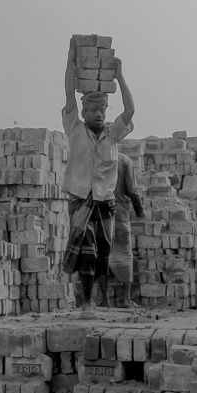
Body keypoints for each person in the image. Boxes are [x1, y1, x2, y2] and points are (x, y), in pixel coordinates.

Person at [61, 39, 135, 316]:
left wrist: (120, 75)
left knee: (103, 252)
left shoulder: (113, 134)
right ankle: (88, 304)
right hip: (81, 198)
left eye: (102, 110)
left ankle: (92, 298)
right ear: (83, 112)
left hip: (104, 201)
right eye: (92, 110)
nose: (98, 114)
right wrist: (70, 58)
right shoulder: (74, 128)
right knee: (87, 249)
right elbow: (69, 91)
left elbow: (130, 111)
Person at [98, 152, 144, 307]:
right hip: (120, 214)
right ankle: (126, 299)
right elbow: (132, 191)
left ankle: (105, 300)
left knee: (102, 256)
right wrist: (140, 211)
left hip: (100, 214)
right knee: (125, 255)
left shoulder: (94, 158)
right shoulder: (124, 160)